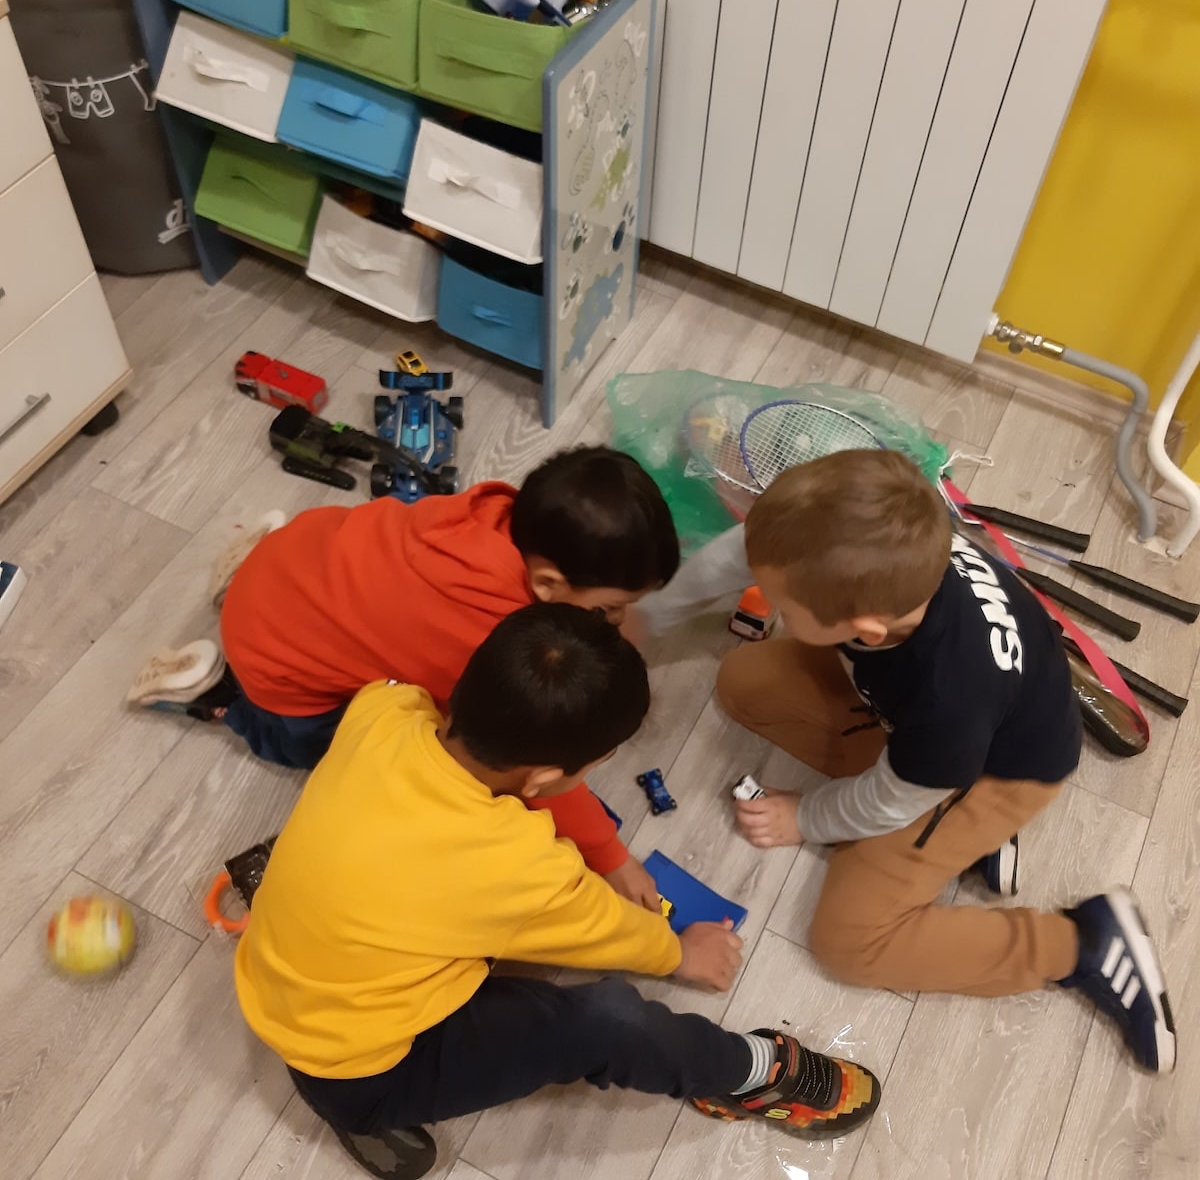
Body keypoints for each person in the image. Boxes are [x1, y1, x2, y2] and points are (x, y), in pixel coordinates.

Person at [234, 605, 882, 1179]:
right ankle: (752, 1074)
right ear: (543, 777)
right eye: (595, 765)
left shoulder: (385, 708)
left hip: (275, 982)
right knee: (607, 1022)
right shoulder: (520, 868)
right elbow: (606, 928)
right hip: (360, 1073)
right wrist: (681, 952)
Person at [673, 449, 1173, 1075]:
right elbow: (756, 551)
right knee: (745, 682)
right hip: (957, 732)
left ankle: (1080, 944)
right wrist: (648, 614)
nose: (769, 605)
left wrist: (806, 816)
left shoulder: (950, 698)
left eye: (784, 606)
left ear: (864, 630)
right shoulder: (893, 559)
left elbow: (888, 798)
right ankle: (959, 839)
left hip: (996, 774)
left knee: (849, 942)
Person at [128, 447, 681, 909]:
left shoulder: (497, 518)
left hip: (289, 563)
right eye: (610, 609)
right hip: (272, 660)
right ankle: (219, 696)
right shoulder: (486, 638)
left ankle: (245, 570)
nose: (618, 622)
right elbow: (523, 754)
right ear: (546, 584)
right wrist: (610, 855)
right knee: (311, 744)